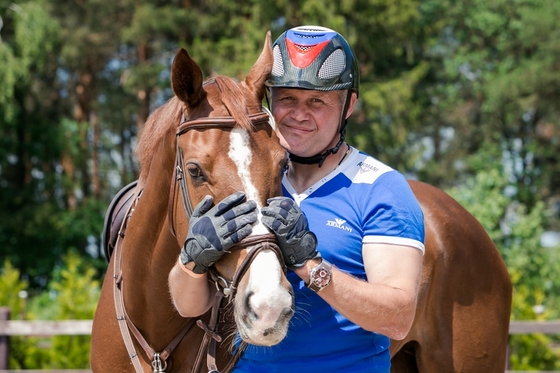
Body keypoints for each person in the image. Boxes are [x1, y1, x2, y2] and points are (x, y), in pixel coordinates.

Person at [169, 25, 425, 373]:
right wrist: (192, 261)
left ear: (348, 105)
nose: (299, 114)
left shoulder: (380, 187)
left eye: (317, 101)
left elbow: (398, 319)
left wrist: (311, 266)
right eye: (287, 98)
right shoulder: (248, 179)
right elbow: (188, 306)